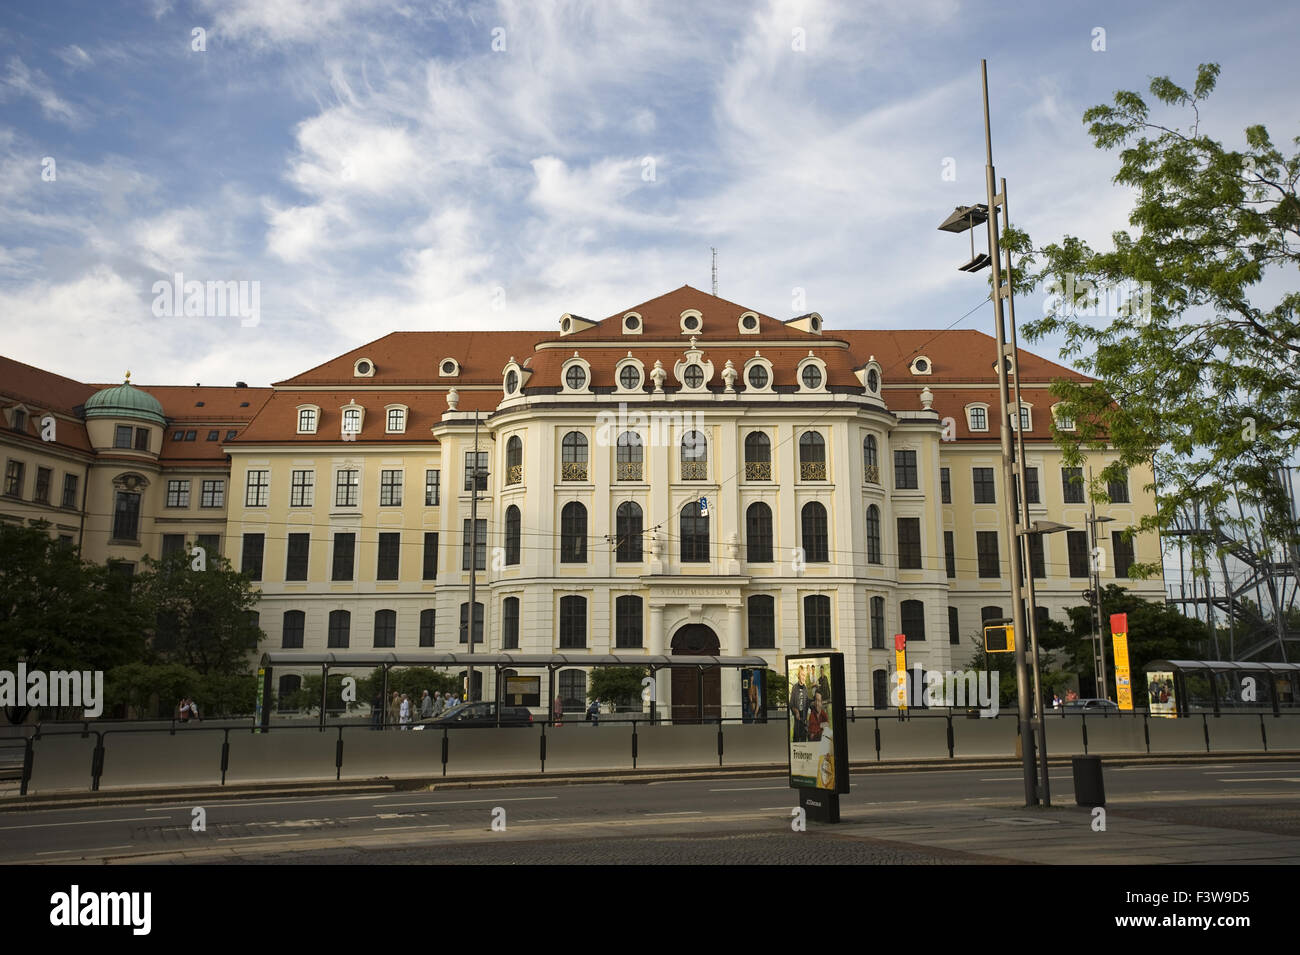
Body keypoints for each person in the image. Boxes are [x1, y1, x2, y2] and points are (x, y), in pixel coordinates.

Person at [790, 666, 809, 742]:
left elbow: (807, 703)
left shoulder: (806, 689)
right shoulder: (794, 688)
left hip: (804, 719)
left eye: (805, 675)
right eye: (802, 675)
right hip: (797, 720)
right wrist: (796, 711)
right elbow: (791, 704)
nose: (804, 677)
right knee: (796, 739)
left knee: (804, 740)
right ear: (799, 676)